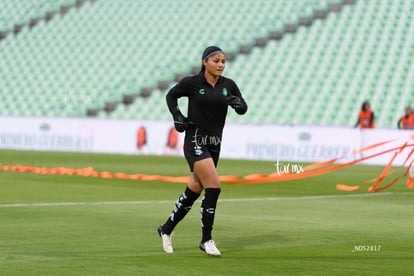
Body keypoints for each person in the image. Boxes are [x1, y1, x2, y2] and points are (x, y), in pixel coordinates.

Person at [157, 46, 248, 256]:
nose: (221, 65)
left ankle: (166, 229)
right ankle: (206, 239)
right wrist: (177, 116)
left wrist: (239, 105)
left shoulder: (229, 85)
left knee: (194, 190)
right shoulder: (192, 83)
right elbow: (171, 96)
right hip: (195, 141)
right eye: (216, 61)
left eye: (223, 61)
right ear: (205, 62)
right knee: (214, 187)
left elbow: (243, 107)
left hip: (215, 143)